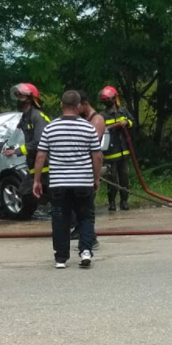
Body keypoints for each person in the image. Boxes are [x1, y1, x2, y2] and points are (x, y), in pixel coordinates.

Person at [33, 90, 102, 269]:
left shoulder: (51, 128)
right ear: (79, 106)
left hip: (58, 184)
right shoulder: (88, 128)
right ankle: (85, 251)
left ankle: (61, 258)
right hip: (83, 182)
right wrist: (96, 178)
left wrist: (37, 181)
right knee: (85, 217)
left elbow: (40, 156)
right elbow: (97, 157)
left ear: (62, 105)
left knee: (60, 219)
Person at [2, 83, 51, 212]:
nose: (18, 100)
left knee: (53, 195)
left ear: (30, 99)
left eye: (21, 97)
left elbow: (39, 142)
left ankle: (71, 221)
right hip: (34, 165)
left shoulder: (38, 117)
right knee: (25, 191)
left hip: (47, 165)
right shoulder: (24, 118)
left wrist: (16, 151)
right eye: (17, 97)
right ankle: (52, 207)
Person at [69, 91, 106, 241]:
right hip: (79, 168)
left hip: (90, 168)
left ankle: (90, 237)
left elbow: (90, 146)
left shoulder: (96, 120)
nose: (76, 110)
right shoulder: (83, 119)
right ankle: (81, 231)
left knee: (86, 207)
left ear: (85, 104)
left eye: (78, 107)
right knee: (77, 205)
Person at [99, 86, 136, 211]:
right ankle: (112, 203)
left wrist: (127, 123)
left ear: (115, 99)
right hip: (110, 154)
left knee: (124, 178)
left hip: (123, 151)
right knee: (112, 180)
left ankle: (124, 202)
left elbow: (133, 123)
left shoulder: (123, 112)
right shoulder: (102, 116)